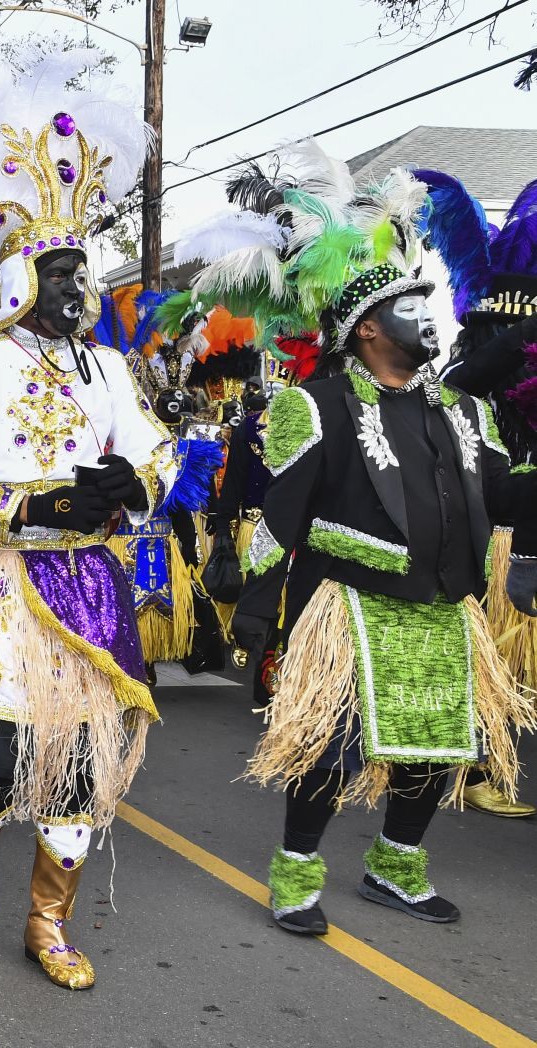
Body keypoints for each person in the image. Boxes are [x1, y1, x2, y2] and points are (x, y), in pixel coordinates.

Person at [198, 148, 537, 934]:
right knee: (329, 748)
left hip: (443, 610)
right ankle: (297, 877)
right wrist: (255, 611)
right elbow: (280, 518)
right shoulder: (314, 407)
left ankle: (395, 868)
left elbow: (500, 495)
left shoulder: (462, 411)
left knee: (436, 750)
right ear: (371, 326)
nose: (435, 315)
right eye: (417, 303)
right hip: (348, 607)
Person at [0, 51, 174, 991]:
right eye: (60, 274)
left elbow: (160, 452)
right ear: (24, 277)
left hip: (92, 581)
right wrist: (33, 504)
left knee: (78, 762)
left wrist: (129, 485)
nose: (78, 292)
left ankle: (48, 921)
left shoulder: (110, 372)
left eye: (84, 277)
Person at [420, 166, 537, 818]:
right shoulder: (468, 386)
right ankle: (477, 769)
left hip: (522, 537)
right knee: (498, 665)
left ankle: (479, 764)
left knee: (512, 670)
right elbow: (465, 387)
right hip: (494, 546)